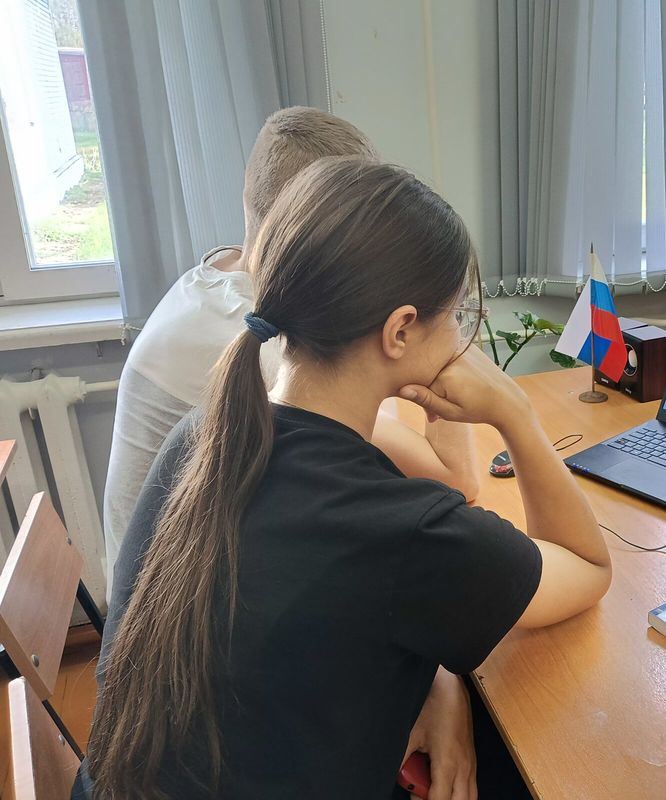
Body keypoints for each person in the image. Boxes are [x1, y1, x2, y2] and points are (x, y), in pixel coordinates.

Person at [79, 157, 612, 799]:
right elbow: (588, 566)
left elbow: (324, 612)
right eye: (456, 315)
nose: (461, 336)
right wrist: (515, 414)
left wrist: (437, 678)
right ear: (401, 330)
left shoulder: (204, 435)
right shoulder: (404, 531)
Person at [102, 107, 479, 600]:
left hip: (190, 579)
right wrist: (444, 323)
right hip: (178, 613)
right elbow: (453, 481)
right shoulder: (258, 337)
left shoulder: (217, 276)